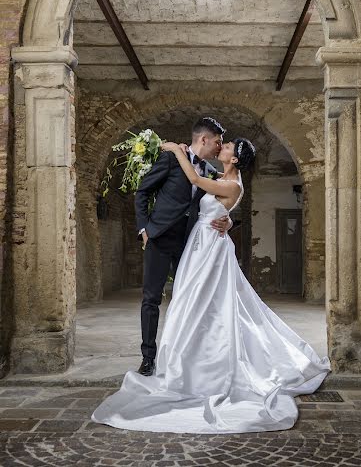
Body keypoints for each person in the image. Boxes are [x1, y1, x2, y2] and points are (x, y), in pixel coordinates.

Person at [92, 137, 330, 434]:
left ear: (234, 159)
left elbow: (194, 178)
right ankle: (181, 357)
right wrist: (227, 219)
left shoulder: (231, 185)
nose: (222, 148)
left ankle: (205, 364)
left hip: (209, 250)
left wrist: (176, 150)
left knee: (206, 305)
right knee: (193, 303)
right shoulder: (222, 177)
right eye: (221, 143)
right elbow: (203, 192)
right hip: (200, 244)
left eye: (227, 147)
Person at [134, 117, 232, 376]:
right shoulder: (169, 159)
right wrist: (144, 229)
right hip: (159, 237)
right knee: (151, 299)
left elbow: (222, 204)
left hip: (190, 244)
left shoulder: (210, 172)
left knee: (189, 299)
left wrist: (228, 222)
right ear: (204, 139)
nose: (219, 148)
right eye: (217, 142)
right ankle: (148, 358)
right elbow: (142, 192)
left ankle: (184, 356)